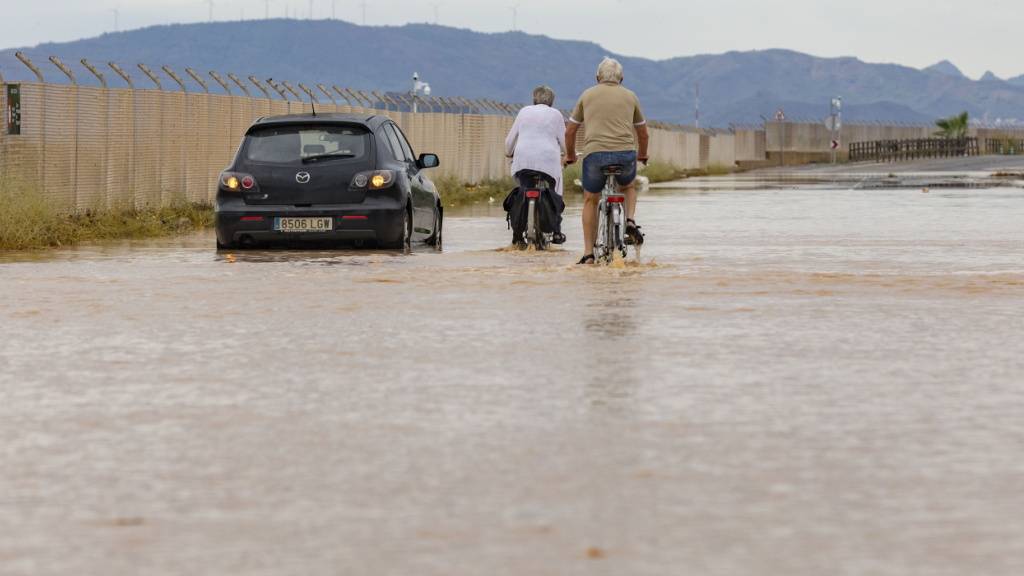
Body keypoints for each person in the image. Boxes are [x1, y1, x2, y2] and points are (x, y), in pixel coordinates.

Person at [565, 57, 650, 264]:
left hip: (595, 155)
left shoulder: (587, 95)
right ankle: (630, 220)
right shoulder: (630, 96)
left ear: (597, 78)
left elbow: (570, 132)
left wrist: (570, 155)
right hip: (625, 154)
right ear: (621, 78)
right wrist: (642, 155)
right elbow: (643, 134)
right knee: (628, 186)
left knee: (590, 199)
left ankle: (588, 254)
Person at [504, 85, 567, 244]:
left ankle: (517, 236)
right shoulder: (556, 114)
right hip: (548, 163)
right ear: (552, 102)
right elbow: (565, 143)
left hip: (523, 161)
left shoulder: (524, 111)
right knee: (555, 190)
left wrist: (509, 152)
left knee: (523, 190)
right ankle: (557, 231)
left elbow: (509, 141)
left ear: (534, 99)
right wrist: (569, 155)